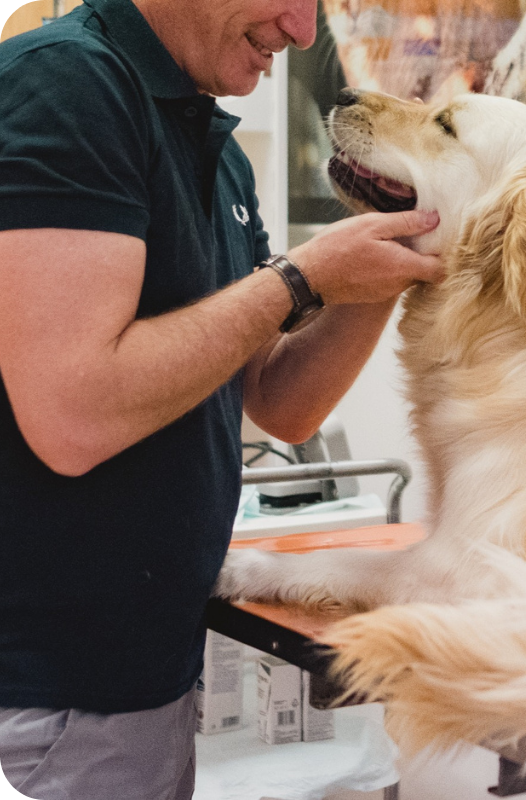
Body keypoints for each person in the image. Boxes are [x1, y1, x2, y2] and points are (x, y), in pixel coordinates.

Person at [0, 0, 442, 797]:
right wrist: (301, 279)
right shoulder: (68, 84)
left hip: (147, 676)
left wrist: (380, 266)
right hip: (49, 688)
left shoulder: (213, 144)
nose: (305, 32)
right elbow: (74, 413)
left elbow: (279, 401)